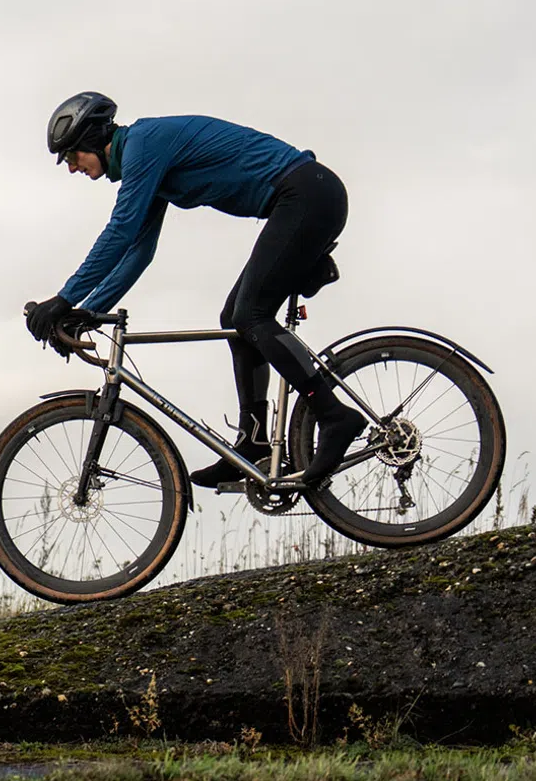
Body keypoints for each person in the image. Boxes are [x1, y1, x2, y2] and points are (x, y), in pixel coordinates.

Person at [24, 92, 365, 490]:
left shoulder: (143, 144)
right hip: (302, 200)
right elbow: (138, 252)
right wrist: (87, 313)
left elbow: (120, 231)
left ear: (89, 140)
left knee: (249, 314)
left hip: (308, 194)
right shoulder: (145, 163)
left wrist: (64, 300)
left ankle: (334, 416)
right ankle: (253, 444)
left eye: (69, 157)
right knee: (234, 319)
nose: (70, 168)